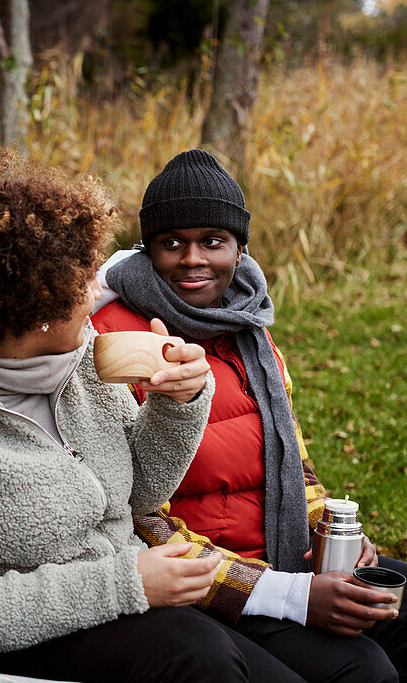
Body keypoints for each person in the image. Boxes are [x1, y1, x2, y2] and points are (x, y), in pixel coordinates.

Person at [0, 156, 310, 682]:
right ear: (32, 305)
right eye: (81, 283)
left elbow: (136, 493)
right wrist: (124, 583)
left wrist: (179, 403)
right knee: (199, 658)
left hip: (120, 604)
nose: (97, 293)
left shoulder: (82, 360)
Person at [93, 148, 407, 683]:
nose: (193, 258)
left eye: (213, 241)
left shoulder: (250, 331)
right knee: (365, 672)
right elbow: (133, 517)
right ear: (148, 252)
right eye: (172, 243)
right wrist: (296, 595)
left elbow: (295, 467)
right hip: (202, 589)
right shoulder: (116, 342)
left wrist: (338, 539)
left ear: (240, 250)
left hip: (286, 560)